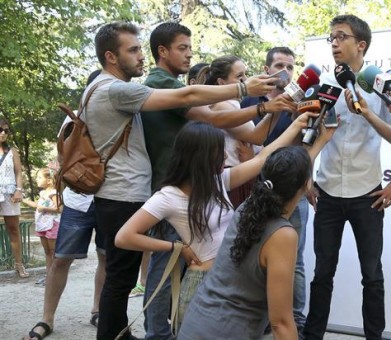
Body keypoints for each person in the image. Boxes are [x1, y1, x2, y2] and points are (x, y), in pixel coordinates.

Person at [73, 22, 275, 340]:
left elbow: (205, 111)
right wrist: (245, 90)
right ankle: (138, 334)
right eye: (134, 50)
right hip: (124, 193)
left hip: (129, 192)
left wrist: (263, 106)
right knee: (125, 278)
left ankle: (132, 333)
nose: (141, 56)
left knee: (124, 278)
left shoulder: (107, 88)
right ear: (111, 57)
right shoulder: (116, 89)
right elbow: (192, 95)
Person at [116, 110, 317, 330]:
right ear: (199, 156)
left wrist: (297, 124)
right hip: (201, 284)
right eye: (218, 152)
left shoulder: (217, 182)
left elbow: (262, 158)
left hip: (226, 278)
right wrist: (176, 247)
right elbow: (124, 237)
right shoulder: (168, 197)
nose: (224, 156)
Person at [303, 14, 391, 340]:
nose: (334, 43)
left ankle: (374, 336)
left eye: (342, 37)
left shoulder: (380, 84)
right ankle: (313, 336)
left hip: (367, 192)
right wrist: (306, 176)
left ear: (360, 44)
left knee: (372, 275)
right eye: (331, 38)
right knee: (322, 274)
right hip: (328, 190)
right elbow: (308, 133)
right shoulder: (323, 85)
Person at [178, 134, 335, 339]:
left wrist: (321, 141)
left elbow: (288, 173)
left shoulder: (249, 207)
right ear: (307, 185)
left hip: (196, 324)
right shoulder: (283, 235)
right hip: (226, 332)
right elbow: (281, 323)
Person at [24, 70, 110, 340]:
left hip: (111, 197)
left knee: (106, 257)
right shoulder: (74, 117)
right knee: (61, 260)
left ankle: (97, 311)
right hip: (78, 199)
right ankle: (46, 319)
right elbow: (64, 156)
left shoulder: (124, 114)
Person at [241, 46, 310, 335]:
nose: (285, 71)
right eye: (279, 65)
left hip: (292, 193)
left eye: (291, 66)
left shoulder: (305, 103)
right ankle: (261, 316)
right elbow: (243, 150)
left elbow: (307, 147)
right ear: (267, 69)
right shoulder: (248, 101)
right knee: (250, 252)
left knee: (293, 259)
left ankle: (295, 320)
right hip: (250, 190)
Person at [197, 55, 297, 207]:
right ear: (221, 82)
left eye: (245, 74)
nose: (246, 80)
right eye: (239, 76)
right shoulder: (222, 105)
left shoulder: (233, 104)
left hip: (240, 176)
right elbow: (257, 137)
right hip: (232, 178)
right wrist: (274, 108)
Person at [22, 168, 62, 286]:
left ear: (49, 180)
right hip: (42, 225)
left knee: (53, 251)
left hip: (51, 225)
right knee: (47, 251)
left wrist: (44, 208)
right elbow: (37, 205)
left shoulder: (54, 193)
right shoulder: (43, 193)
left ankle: (55, 277)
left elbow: (59, 209)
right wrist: (23, 200)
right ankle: (48, 275)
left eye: (39, 177)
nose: (37, 180)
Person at [0, 117, 28, 278]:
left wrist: (19, 190)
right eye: (0, 130)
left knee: (13, 230)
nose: (3, 133)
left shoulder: (12, 151)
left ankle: (19, 264)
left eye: (6, 130)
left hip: (10, 193)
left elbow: (19, 172)